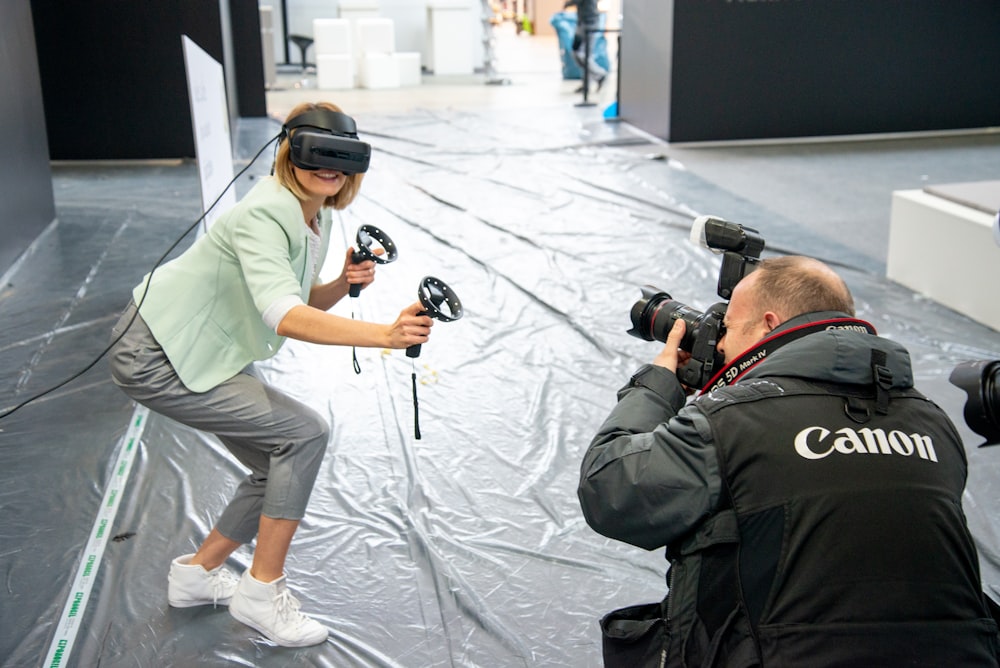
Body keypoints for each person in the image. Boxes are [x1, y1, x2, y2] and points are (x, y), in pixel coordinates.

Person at [109, 101, 433, 648]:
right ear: (289, 151)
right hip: (158, 352)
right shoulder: (265, 212)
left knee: (277, 463)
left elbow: (294, 294)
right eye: (316, 153)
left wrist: (342, 284)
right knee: (303, 434)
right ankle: (261, 591)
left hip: (205, 350)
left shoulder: (317, 211)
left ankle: (195, 575)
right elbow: (281, 314)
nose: (329, 167)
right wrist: (384, 335)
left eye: (342, 157)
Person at [579, 256, 1000, 666]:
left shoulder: (730, 419)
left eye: (727, 328)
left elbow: (610, 489)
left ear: (769, 325)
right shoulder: (933, 421)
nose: (722, 345)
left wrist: (658, 385)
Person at [564, 0, 607, 92]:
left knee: (583, 55)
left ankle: (600, 74)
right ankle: (586, 84)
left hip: (590, 24)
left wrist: (568, 3)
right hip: (582, 23)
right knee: (576, 53)